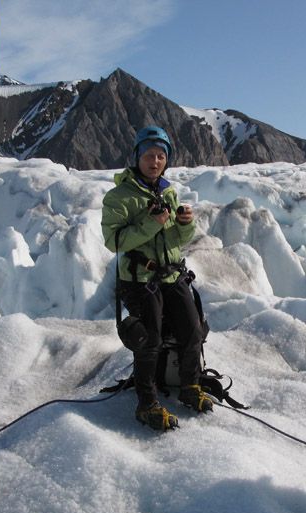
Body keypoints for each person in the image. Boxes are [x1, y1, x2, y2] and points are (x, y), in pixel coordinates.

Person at [102, 126, 213, 431]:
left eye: (161, 156)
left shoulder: (169, 191)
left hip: (171, 274)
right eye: (149, 155)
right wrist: (152, 224)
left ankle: (190, 386)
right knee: (149, 340)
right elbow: (114, 241)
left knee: (192, 331)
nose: (155, 161)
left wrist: (185, 224)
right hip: (139, 278)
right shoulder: (118, 197)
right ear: (137, 157)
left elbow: (177, 238)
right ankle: (147, 403)